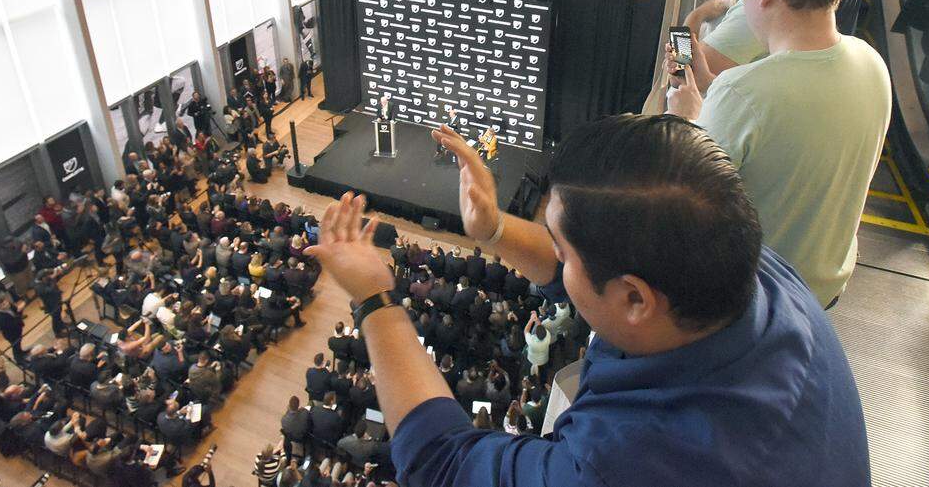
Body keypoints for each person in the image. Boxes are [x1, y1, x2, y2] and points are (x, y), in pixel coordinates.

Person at [303, 112, 870, 486]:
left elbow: (441, 462)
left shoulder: (618, 466)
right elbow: (580, 268)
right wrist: (494, 228)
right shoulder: (752, 270)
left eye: (565, 251)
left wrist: (375, 298)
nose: (557, 260)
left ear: (635, 300)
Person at [667, 0, 891, 307]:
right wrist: (708, 84)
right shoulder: (872, 62)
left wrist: (686, 120)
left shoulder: (743, 93)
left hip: (763, 298)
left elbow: (681, 202)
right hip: (826, 285)